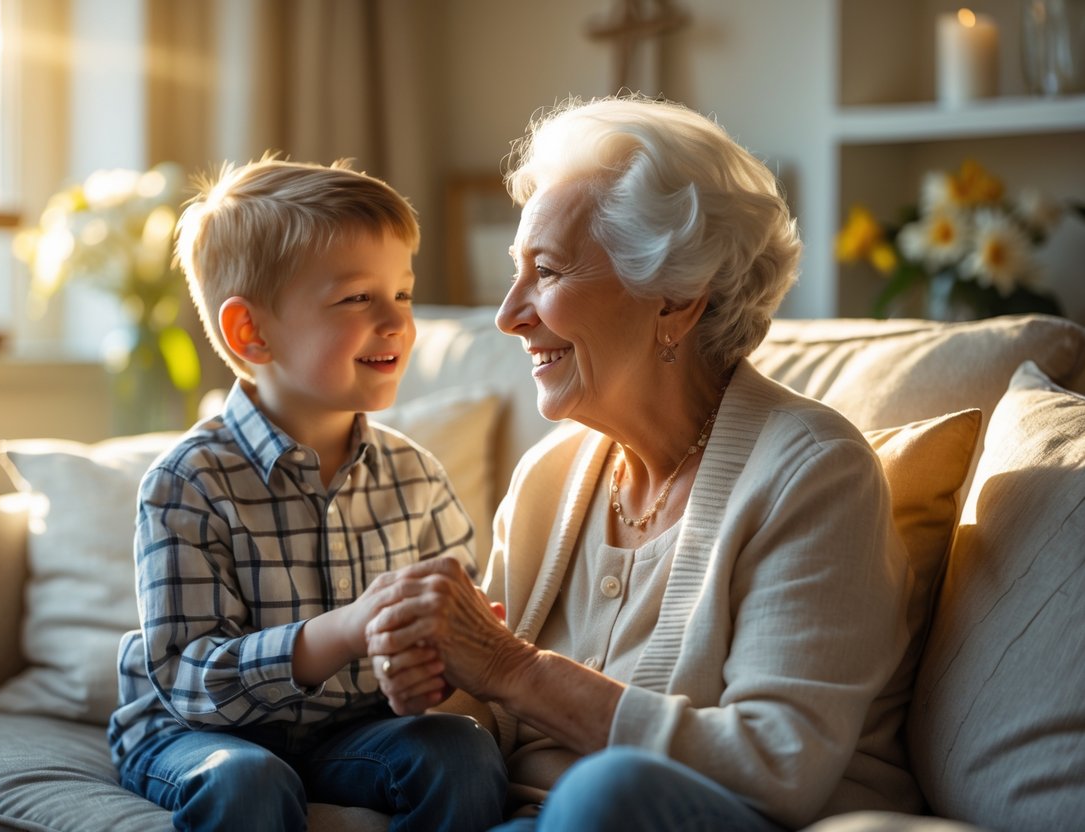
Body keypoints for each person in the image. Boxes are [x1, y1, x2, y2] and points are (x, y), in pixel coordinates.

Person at [365, 96, 922, 831]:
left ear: (676, 300)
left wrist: (514, 669)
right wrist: (429, 673)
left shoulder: (812, 473)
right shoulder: (550, 477)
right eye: (514, 270)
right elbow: (493, 714)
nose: (507, 314)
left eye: (548, 272)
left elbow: (777, 764)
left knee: (606, 795)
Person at [107, 156, 506, 832]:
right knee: (247, 780)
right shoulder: (188, 483)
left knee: (458, 752)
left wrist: (432, 668)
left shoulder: (416, 475)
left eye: (402, 294)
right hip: (192, 732)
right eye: (357, 298)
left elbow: (457, 636)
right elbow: (185, 678)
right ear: (250, 333)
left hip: (346, 731)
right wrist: (345, 630)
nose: (396, 321)